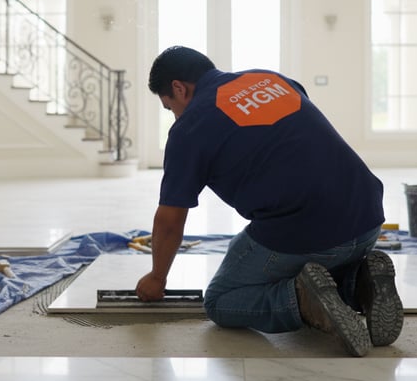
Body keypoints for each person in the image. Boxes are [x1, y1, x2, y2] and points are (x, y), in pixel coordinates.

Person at [134, 46, 403, 356]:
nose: (174, 115)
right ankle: (358, 285)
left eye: (170, 107)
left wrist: (157, 278)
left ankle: (303, 301)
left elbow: (170, 221)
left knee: (221, 299)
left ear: (179, 89)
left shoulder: (189, 128)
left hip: (307, 231)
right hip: (368, 217)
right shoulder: (271, 80)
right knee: (292, 251)